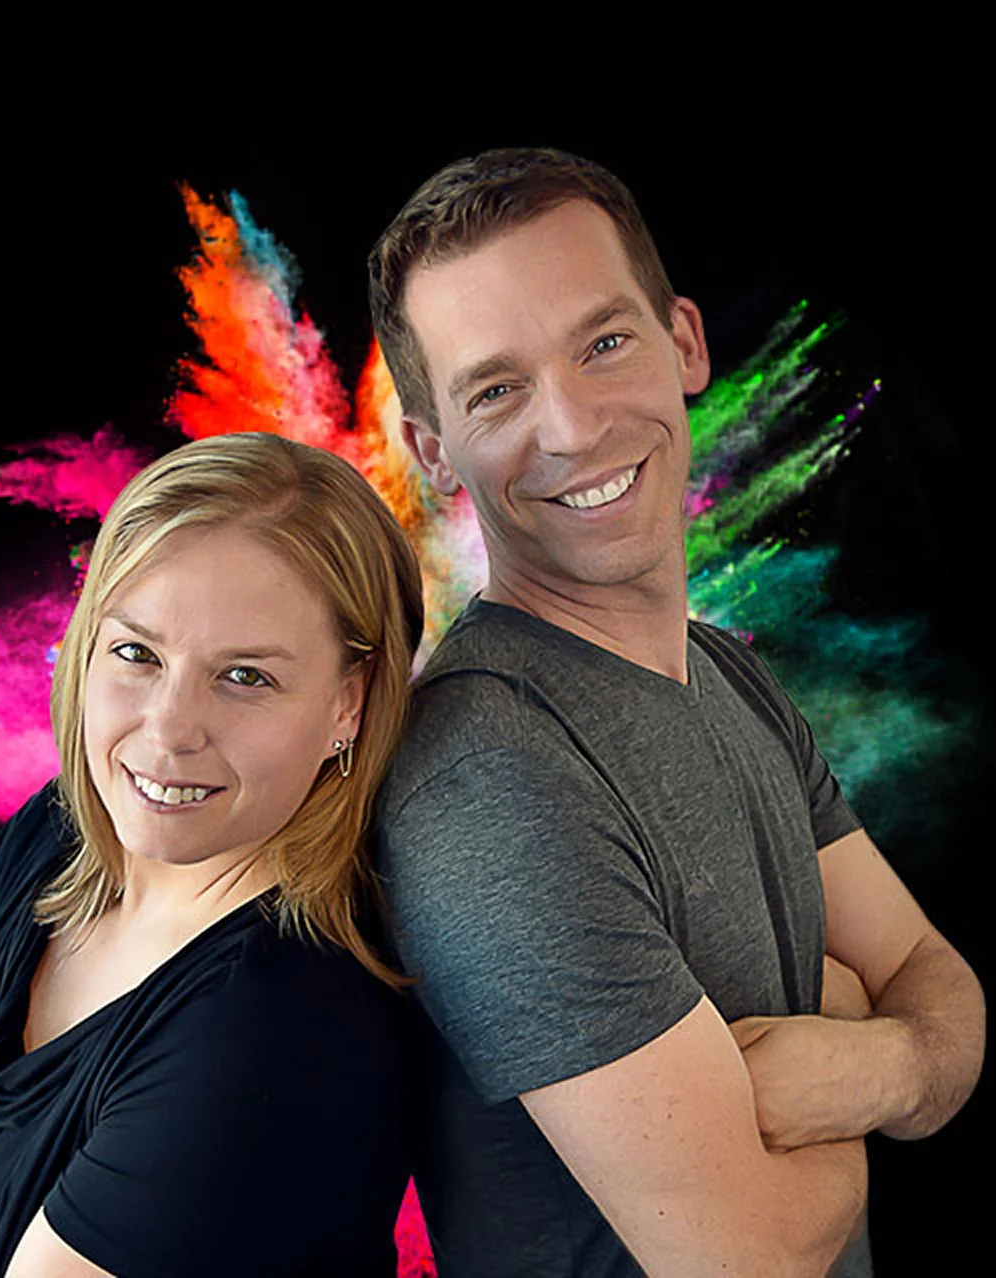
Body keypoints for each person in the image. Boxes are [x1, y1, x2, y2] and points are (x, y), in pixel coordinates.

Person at [368, 147, 985, 1277]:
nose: (571, 426)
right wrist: (860, 1022)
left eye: (603, 343)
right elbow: (750, 1256)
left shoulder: (728, 678)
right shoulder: (487, 771)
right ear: (433, 453)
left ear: (684, 344)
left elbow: (935, 982)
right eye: (496, 390)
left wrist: (875, 1060)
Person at [0, 432, 426, 1277]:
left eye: (245, 676)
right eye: (137, 652)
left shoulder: (277, 1029)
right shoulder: (56, 833)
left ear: (348, 703)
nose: (168, 730)